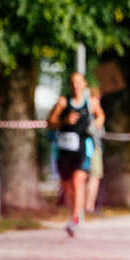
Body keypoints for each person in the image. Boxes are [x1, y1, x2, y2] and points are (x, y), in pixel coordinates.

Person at [47, 72, 100, 237]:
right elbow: (50, 122)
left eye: (78, 82)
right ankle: (74, 214)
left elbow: (101, 115)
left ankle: (74, 220)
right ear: (70, 85)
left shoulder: (91, 102)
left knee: (78, 182)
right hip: (64, 150)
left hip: (83, 149)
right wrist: (64, 121)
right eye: (72, 82)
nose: (76, 85)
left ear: (84, 83)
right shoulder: (63, 102)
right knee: (68, 187)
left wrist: (98, 122)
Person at [84, 85, 106, 214]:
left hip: (88, 146)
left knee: (86, 176)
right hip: (92, 146)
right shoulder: (92, 105)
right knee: (94, 176)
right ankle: (89, 206)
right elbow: (100, 119)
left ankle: (85, 205)